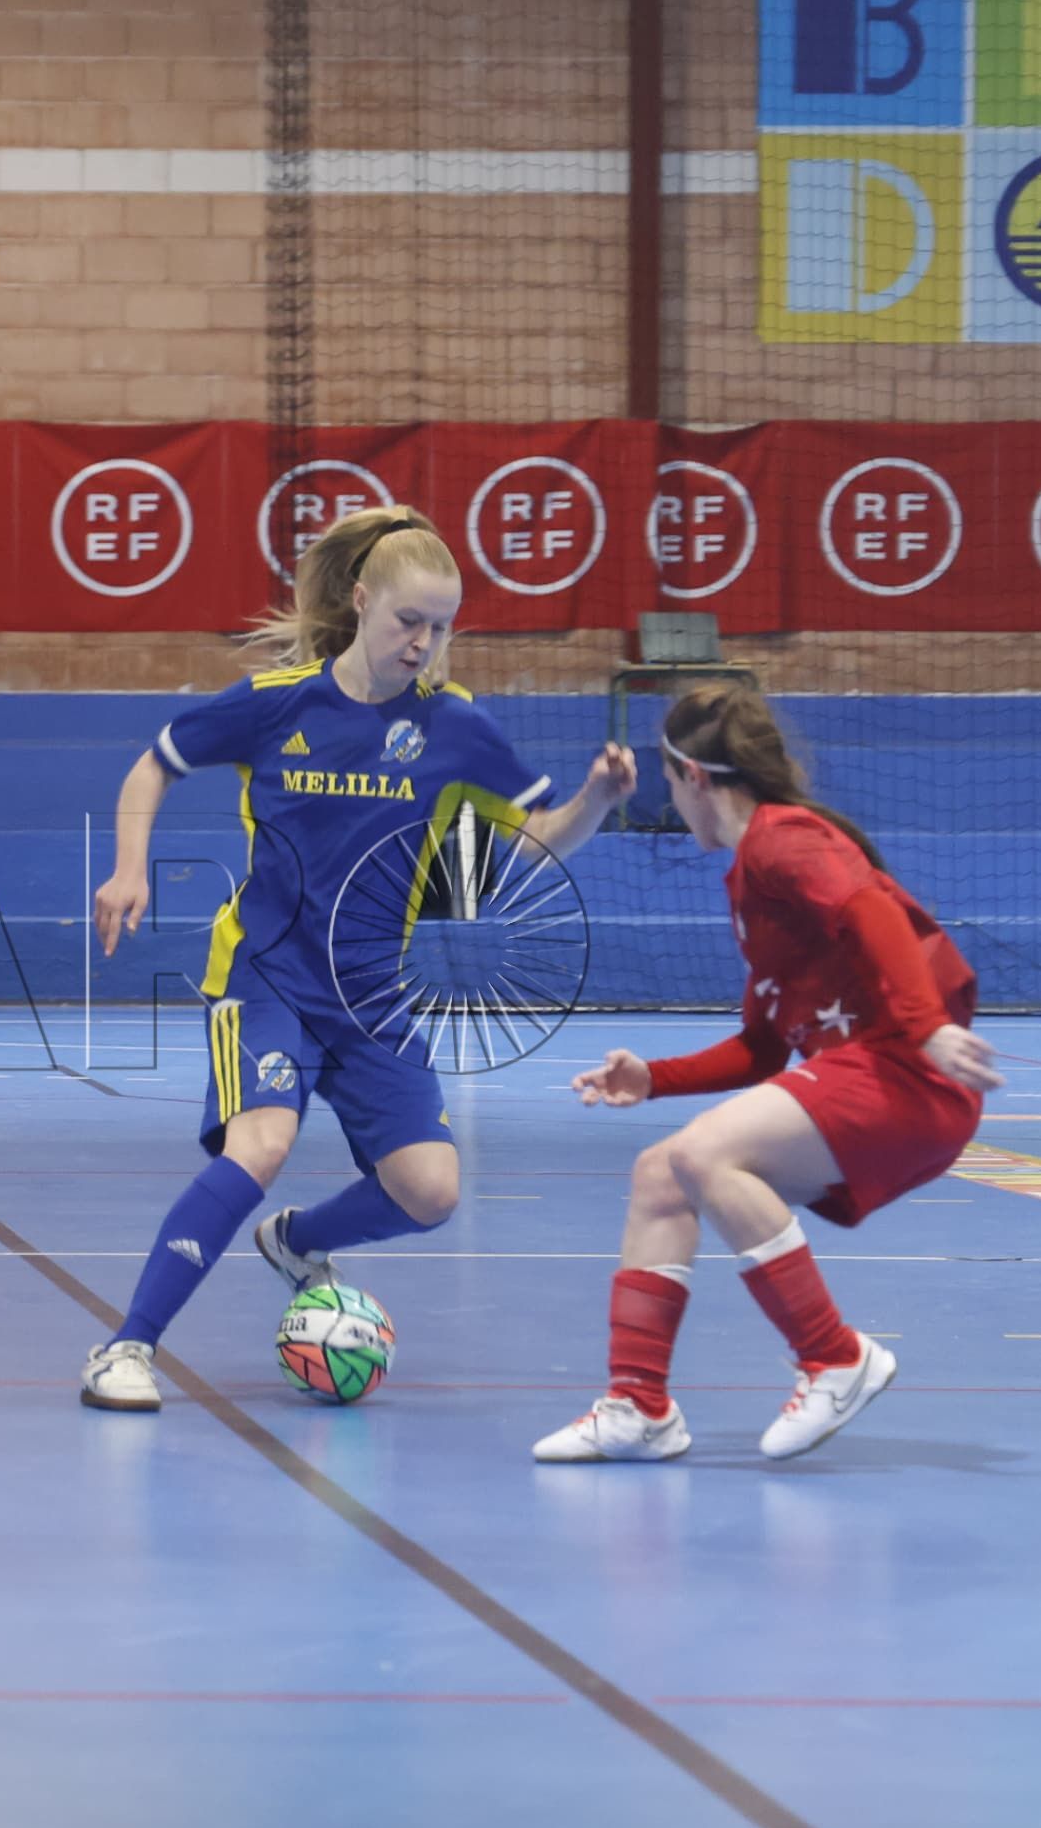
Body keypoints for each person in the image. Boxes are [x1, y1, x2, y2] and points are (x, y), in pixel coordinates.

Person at [73, 507, 635, 1413]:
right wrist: (129, 868)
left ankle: (297, 1242)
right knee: (263, 1144)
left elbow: (532, 844)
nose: (424, 643)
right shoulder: (278, 702)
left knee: (430, 1189)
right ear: (363, 600)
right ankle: (126, 1347)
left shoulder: (452, 727)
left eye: (442, 627)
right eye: (409, 620)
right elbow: (154, 765)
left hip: (372, 995)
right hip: (266, 978)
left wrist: (598, 800)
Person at [533, 683, 999, 1465]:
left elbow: (871, 911)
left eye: (670, 783)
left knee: (704, 1155)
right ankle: (637, 1407)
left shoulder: (785, 840)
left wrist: (927, 1028)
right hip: (879, 1078)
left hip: (909, 1079)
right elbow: (762, 1048)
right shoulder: (757, 877)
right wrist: (655, 1078)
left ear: (695, 778)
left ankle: (834, 1358)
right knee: (661, 1175)